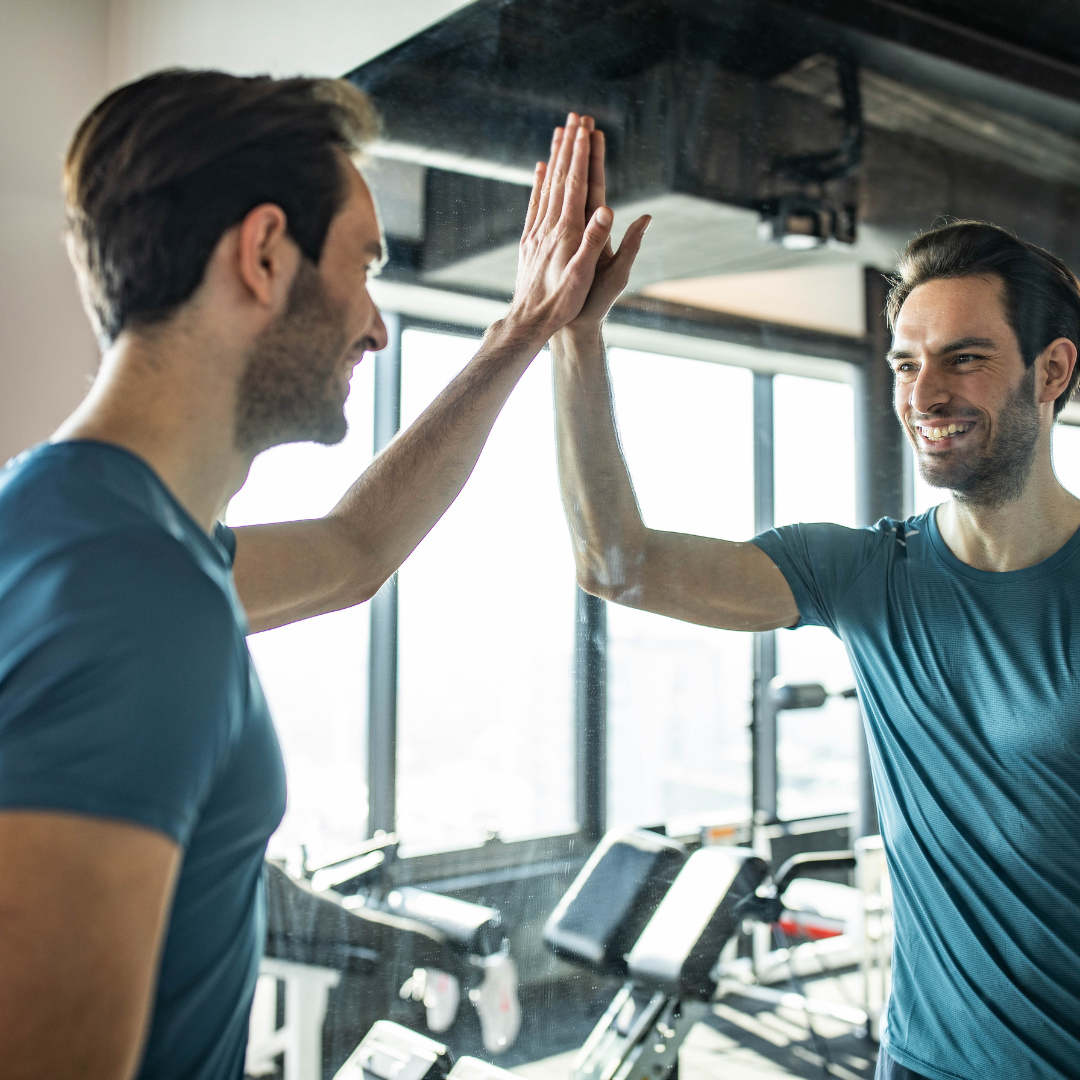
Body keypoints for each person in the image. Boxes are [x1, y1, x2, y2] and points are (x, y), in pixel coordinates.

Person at [0, 72, 638, 1080]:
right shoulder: (127, 596)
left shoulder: (85, 530)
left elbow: (352, 553)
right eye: (363, 268)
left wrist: (525, 330)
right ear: (262, 255)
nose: (376, 326)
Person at [554, 122, 1080, 1080]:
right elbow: (618, 563)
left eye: (964, 358)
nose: (924, 392)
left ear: (1051, 372)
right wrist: (577, 339)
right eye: (905, 364)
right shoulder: (864, 577)